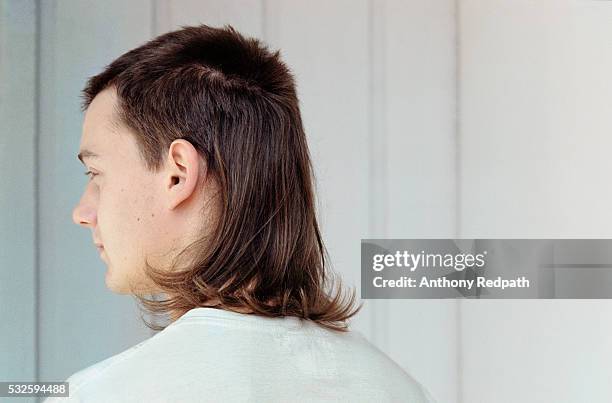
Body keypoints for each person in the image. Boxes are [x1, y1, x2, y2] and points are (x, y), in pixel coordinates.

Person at [45, 24, 435, 403]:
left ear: (178, 173)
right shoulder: (398, 389)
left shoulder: (102, 394)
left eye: (96, 173)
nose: (82, 212)